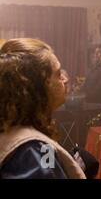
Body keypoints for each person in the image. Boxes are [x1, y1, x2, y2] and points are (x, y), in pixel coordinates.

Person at [0, 49, 85, 179]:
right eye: (58, 74)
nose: (65, 79)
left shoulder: (18, 134)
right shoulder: (36, 148)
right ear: (39, 86)